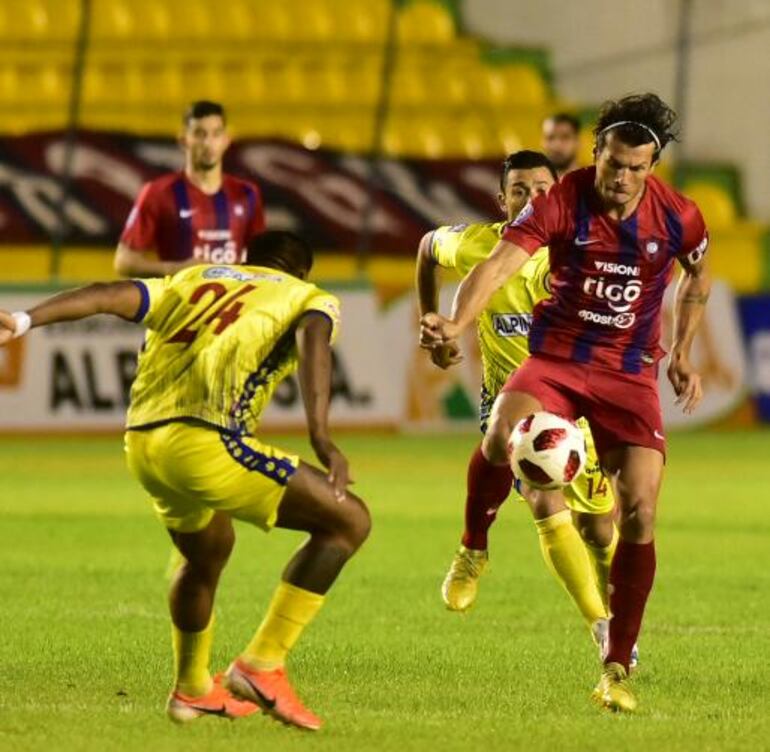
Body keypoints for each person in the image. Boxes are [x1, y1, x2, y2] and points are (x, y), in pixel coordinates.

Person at [1, 231, 370, 731]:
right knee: (348, 520)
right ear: (302, 271)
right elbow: (314, 348)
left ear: (246, 259)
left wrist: (24, 319)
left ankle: (192, 688)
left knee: (207, 549)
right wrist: (323, 439)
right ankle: (262, 663)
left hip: (143, 445)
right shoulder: (307, 296)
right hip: (205, 440)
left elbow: (106, 294)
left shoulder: (192, 278)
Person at [421, 93, 711, 712]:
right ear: (596, 153)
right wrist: (454, 323)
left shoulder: (681, 217)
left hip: (630, 374)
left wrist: (683, 350)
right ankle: (474, 545)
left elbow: (697, 275)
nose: (622, 178)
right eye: (613, 163)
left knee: (638, 515)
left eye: (636, 168)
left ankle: (615, 668)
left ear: (652, 165)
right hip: (559, 358)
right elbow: (497, 265)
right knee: (501, 433)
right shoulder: (561, 200)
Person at [416, 151, 618, 648]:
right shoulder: (476, 247)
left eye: (543, 190)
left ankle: (613, 595)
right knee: (541, 494)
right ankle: (600, 625)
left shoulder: (587, 251)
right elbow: (426, 248)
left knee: (600, 529)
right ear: (501, 199)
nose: (532, 200)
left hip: (579, 405)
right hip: (511, 402)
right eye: (520, 191)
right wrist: (435, 324)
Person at [114, 100, 265, 278]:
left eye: (216, 134)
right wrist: (175, 270)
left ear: (226, 140)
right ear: (184, 140)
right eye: (200, 134)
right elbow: (124, 262)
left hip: (233, 302)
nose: (208, 143)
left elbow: (262, 258)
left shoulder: (247, 193)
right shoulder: (158, 193)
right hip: (182, 302)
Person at [541, 112, 582, 178]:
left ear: (577, 141)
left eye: (565, 137)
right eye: (550, 137)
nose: (557, 145)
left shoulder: (595, 183)